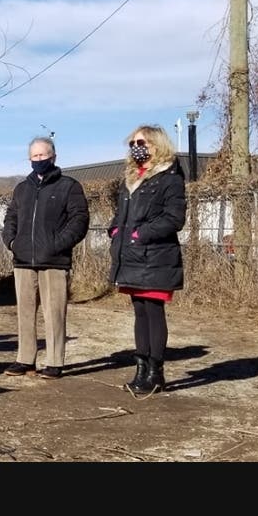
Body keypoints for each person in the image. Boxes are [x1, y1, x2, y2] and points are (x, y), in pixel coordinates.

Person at [1, 136, 90, 379]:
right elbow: (11, 218)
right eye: (35, 156)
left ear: (54, 156)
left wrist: (56, 245)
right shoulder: (22, 189)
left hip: (54, 261)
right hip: (23, 260)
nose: (39, 159)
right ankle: (25, 359)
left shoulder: (69, 187)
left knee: (54, 313)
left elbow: (79, 221)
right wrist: (11, 241)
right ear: (30, 158)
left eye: (43, 155)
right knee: (25, 313)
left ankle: (54, 361)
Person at [108, 124, 186, 397]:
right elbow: (121, 214)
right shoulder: (130, 178)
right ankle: (140, 369)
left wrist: (141, 234)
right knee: (139, 312)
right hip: (130, 256)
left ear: (156, 144)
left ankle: (156, 372)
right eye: (132, 144)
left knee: (154, 312)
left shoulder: (170, 178)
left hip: (155, 256)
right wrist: (115, 230)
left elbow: (174, 218)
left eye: (141, 142)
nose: (136, 148)